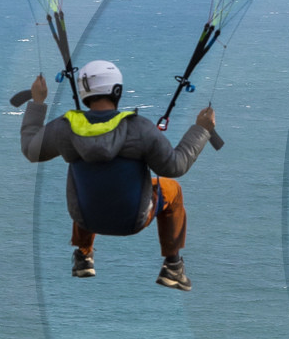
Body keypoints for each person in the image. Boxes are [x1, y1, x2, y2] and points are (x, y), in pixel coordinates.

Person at [20, 62, 217, 290]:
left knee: (82, 175)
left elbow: (30, 150)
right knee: (172, 188)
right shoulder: (140, 128)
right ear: (117, 91)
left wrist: (38, 102)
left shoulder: (66, 127)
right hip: (133, 220)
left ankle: (84, 255)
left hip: (86, 218)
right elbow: (175, 166)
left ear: (84, 93)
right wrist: (201, 129)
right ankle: (173, 266)